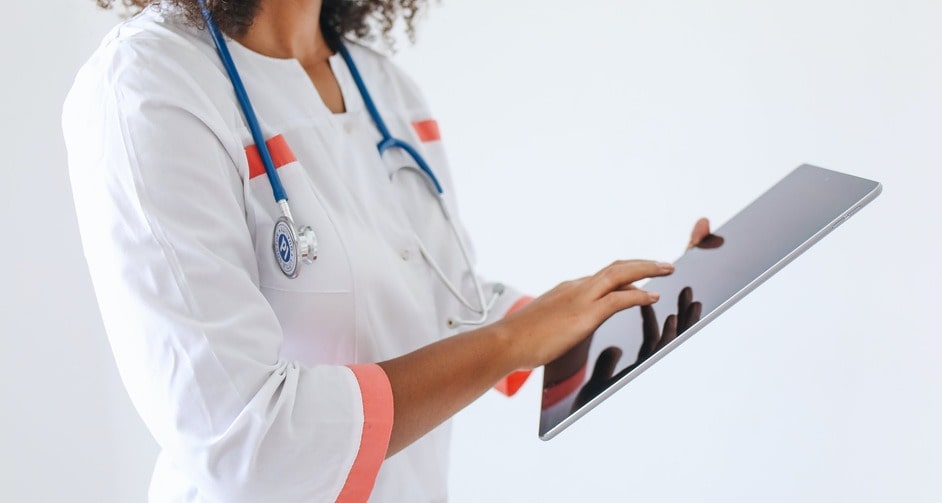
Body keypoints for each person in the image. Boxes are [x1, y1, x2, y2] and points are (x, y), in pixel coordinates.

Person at [64, 1, 710, 501]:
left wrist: (615, 314)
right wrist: (516, 343)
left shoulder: (383, 88)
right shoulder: (148, 88)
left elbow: (448, 298)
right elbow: (249, 447)